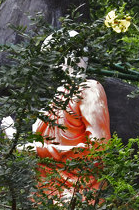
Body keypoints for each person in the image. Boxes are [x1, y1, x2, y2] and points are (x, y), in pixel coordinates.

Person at [26, 34, 110, 197]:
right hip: (46, 190)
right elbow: (40, 138)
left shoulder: (89, 90)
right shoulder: (58, 96)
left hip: (77, 192)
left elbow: (98, 151)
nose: (56, 66)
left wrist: (35, 149)